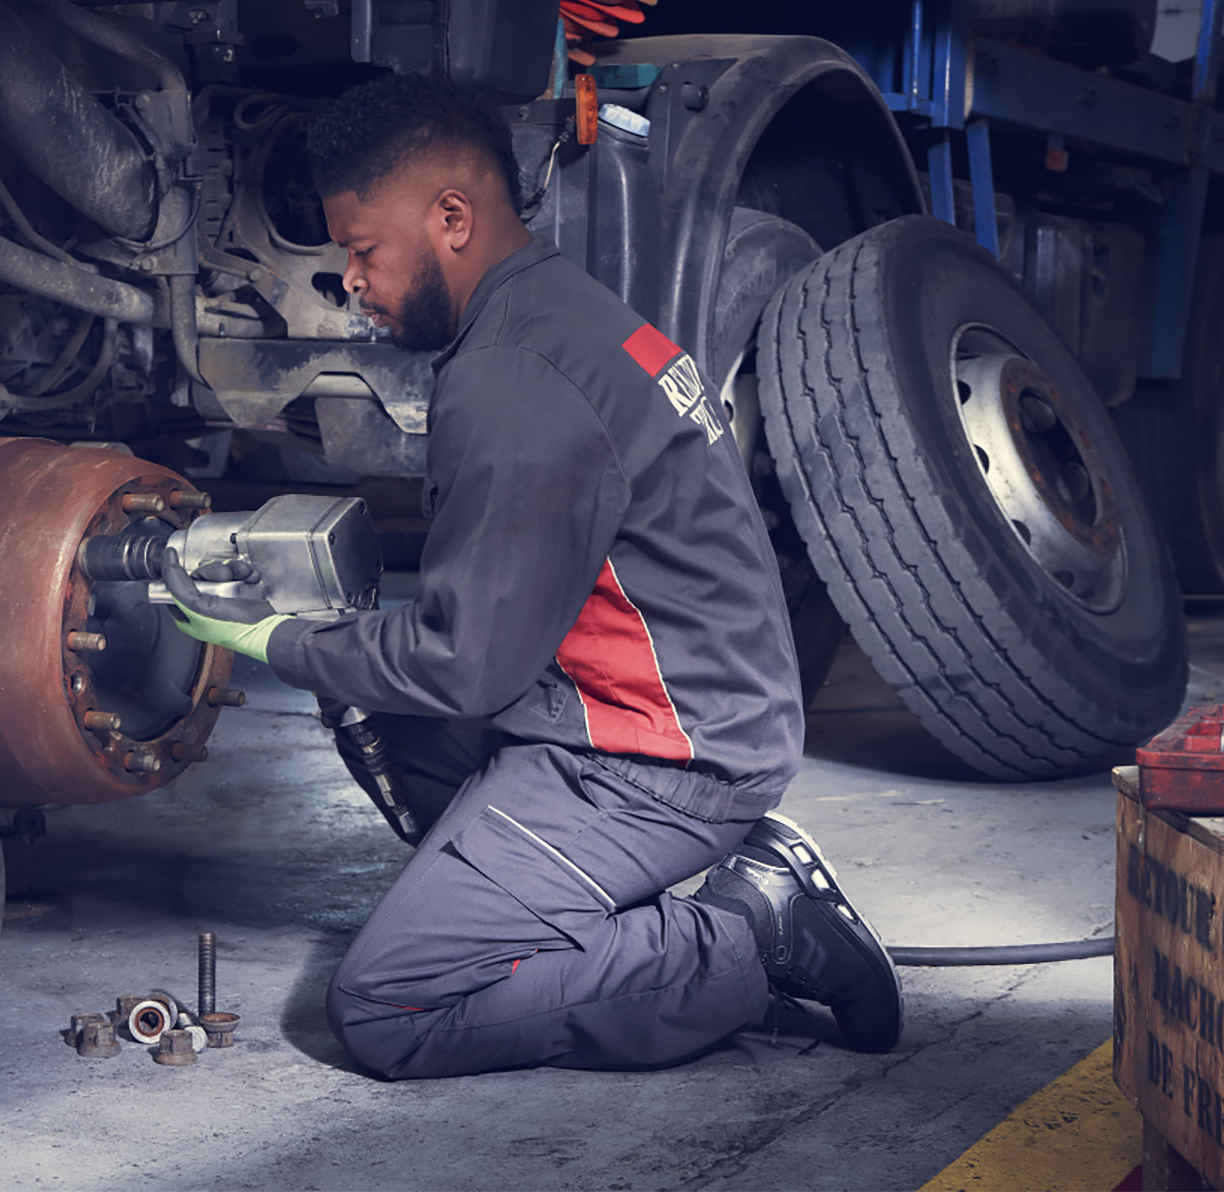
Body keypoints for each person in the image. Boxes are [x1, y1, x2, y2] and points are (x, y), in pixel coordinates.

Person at [169, 73, 901, 1079]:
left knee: (389, 1003)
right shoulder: (556, 311)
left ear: (452, 217)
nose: (352, 280)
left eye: (365, 249)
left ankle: (753, 934)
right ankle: (535, 898)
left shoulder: (514, 377)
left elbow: (464, 665)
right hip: (660, 707)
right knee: (367, 705)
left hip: (662, 762)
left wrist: (281, 638)